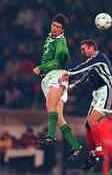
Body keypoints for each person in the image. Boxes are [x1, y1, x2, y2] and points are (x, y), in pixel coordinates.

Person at [62, 39, 112, 170]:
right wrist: (71, 85)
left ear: (91, 48)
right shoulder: (92, 64)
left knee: (93, 121)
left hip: (108, 90)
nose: (82, 52)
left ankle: (99, 153)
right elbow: (84, 75)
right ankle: (93, 154)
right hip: (98, 93)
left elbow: (83, 67)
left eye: (84, 49)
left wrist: (69, 72)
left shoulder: (99, 57)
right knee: (88, 125)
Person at [33, 13, 83, 160]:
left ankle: (51, 137)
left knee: (50, 106)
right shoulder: (50, 37)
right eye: (53, 25)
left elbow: (61, 60)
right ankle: (76, 146)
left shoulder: (61, 43)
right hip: (49, 78)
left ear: (63, 30)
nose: (54, 28)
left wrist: (41, 68)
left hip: (56, 75)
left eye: (58, 27)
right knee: (59, 116)